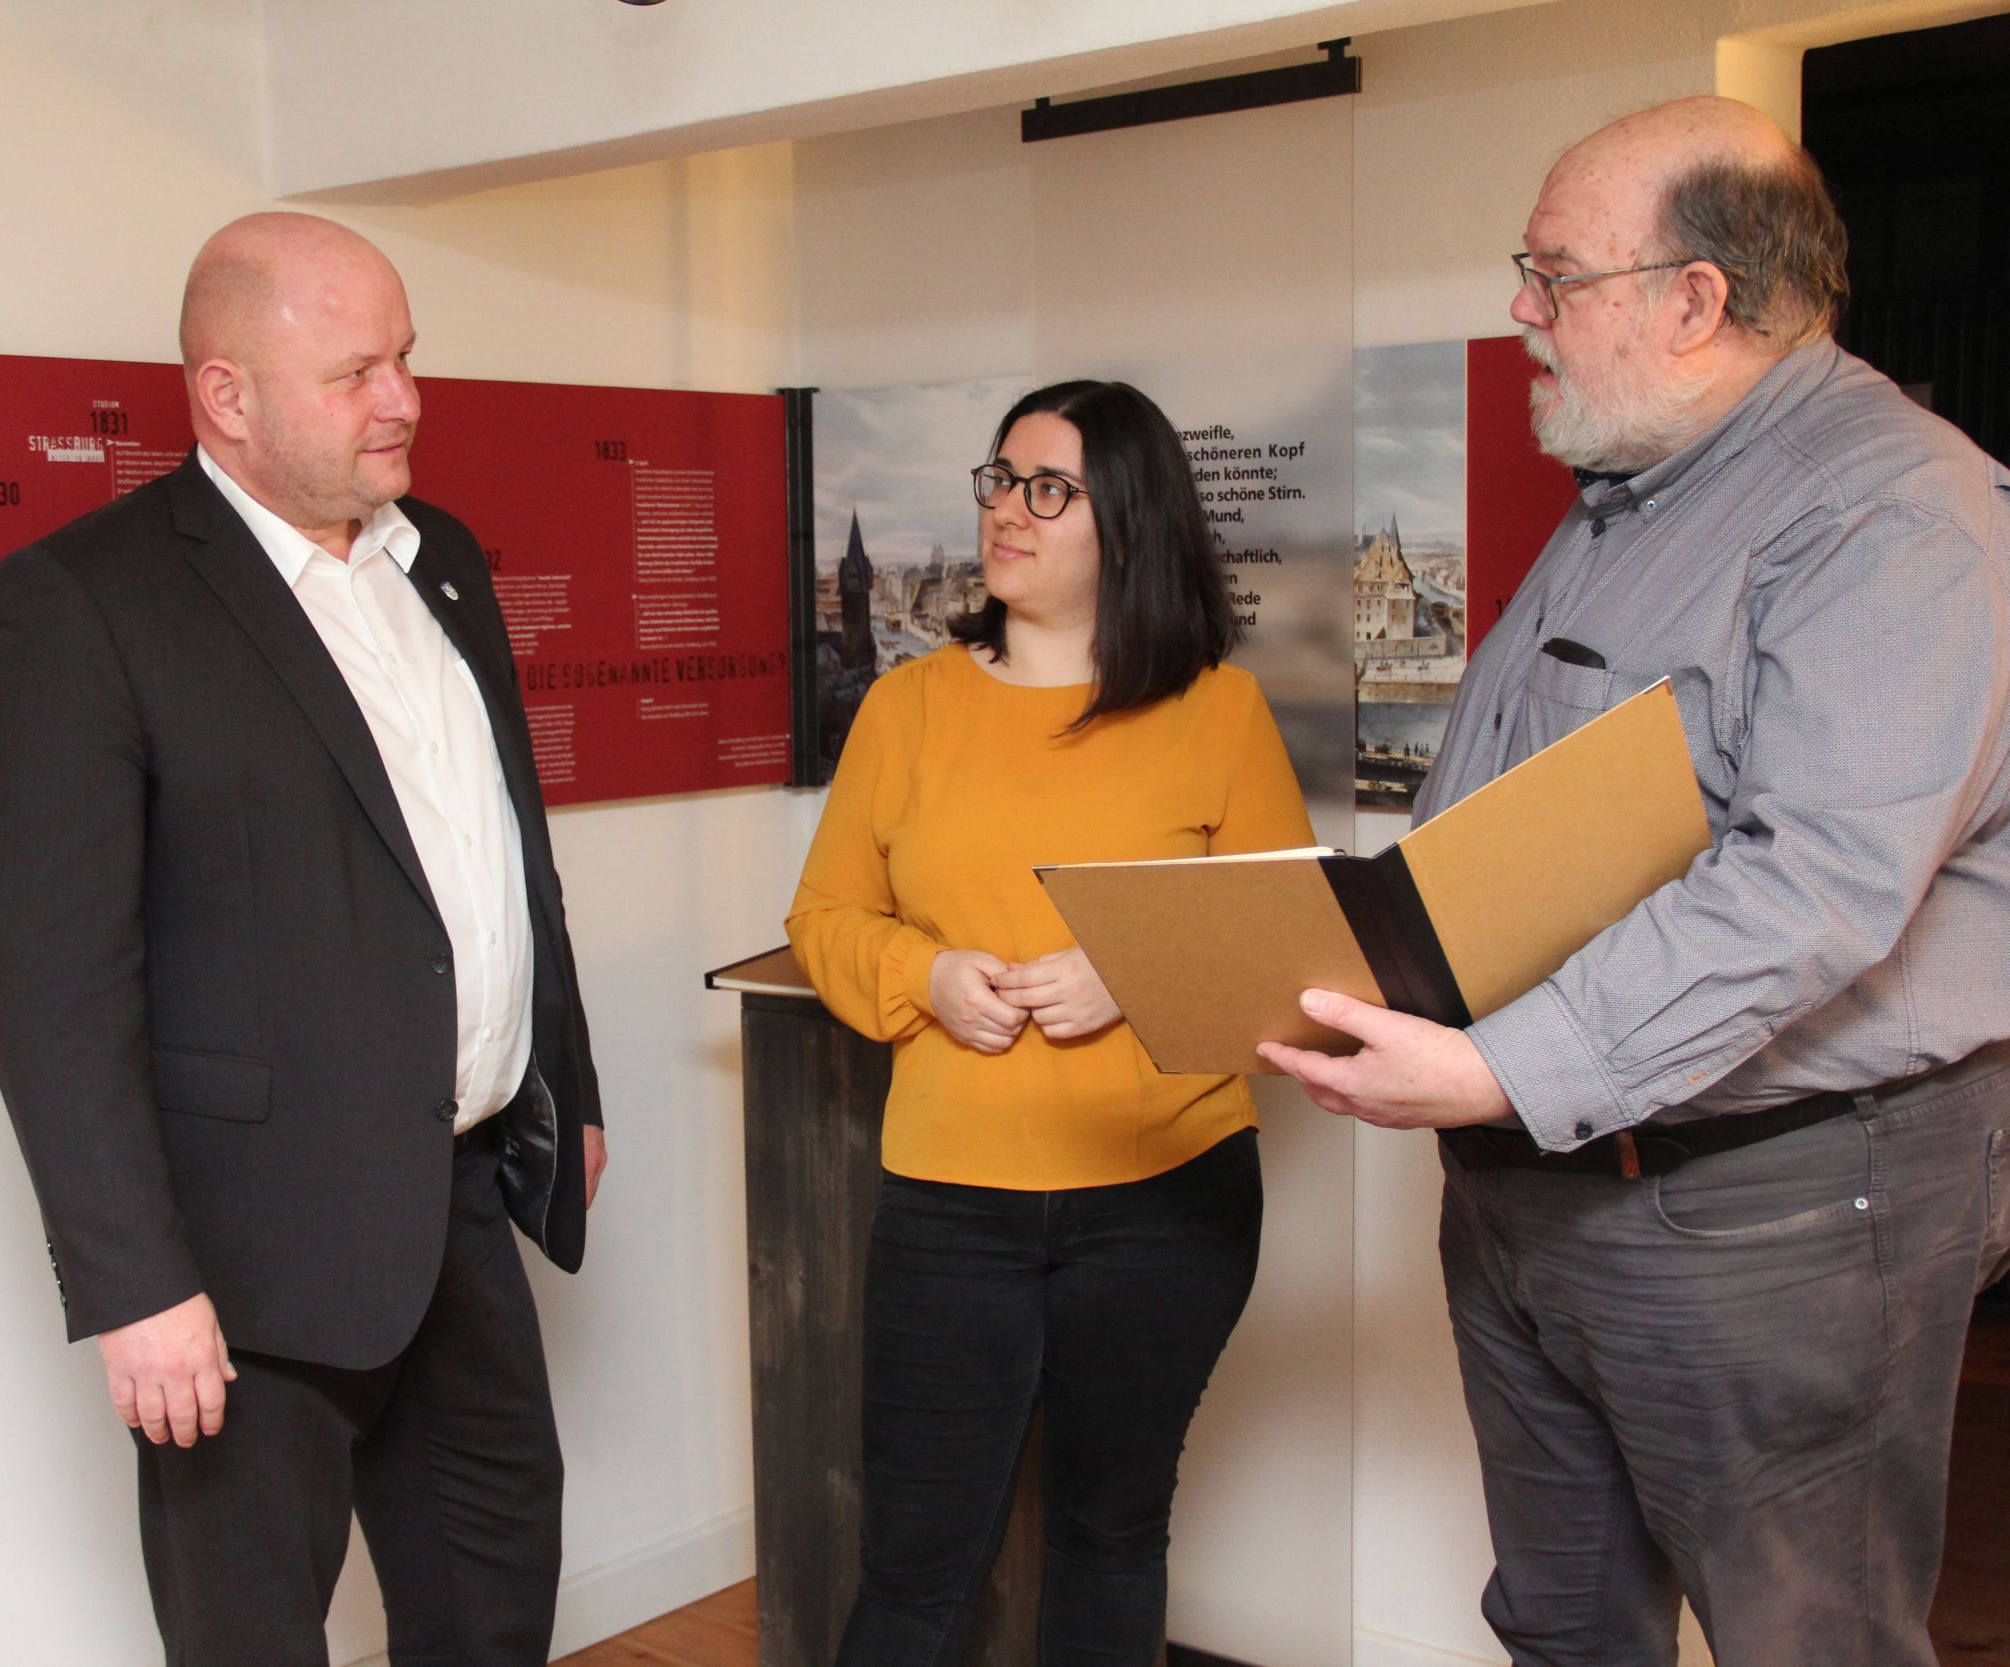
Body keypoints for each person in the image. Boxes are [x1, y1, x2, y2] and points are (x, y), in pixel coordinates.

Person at [1260, 96, 2010, 1667]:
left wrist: (1489, 1062)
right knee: (1562, 1623)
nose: (1522, 311)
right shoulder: (1631, 498)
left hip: (1774, 1203)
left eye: (1554, 273)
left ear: (1695, 300)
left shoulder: (1897, 508)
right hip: (1539, 1181)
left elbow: (1809, 881)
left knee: (1810, 1641)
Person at [0, 211, 606, 1667]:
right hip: (243, 1255)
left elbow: (502, 849)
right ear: (227, 395)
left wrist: (569, 1083)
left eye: (409, 359)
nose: (407, 400)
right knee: (251, 1636)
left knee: (498, 1586)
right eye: (357, 371)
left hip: (456, 1198)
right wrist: (135, 1283)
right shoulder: (85, 604)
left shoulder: (441, 558)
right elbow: (55, 987)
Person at [787, 379, 1315, 1665]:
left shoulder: (1216, 712)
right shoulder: (909, 708)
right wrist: (926, 973)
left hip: (1168, 1201)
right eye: (997, 479)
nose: (1005, 511)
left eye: (1047, 488)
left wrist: (1133, 973)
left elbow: (1291, 952)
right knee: (914, 1564)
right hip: (952, 1202)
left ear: (1123, 523)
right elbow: (825, 917)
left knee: (1112, 1531)